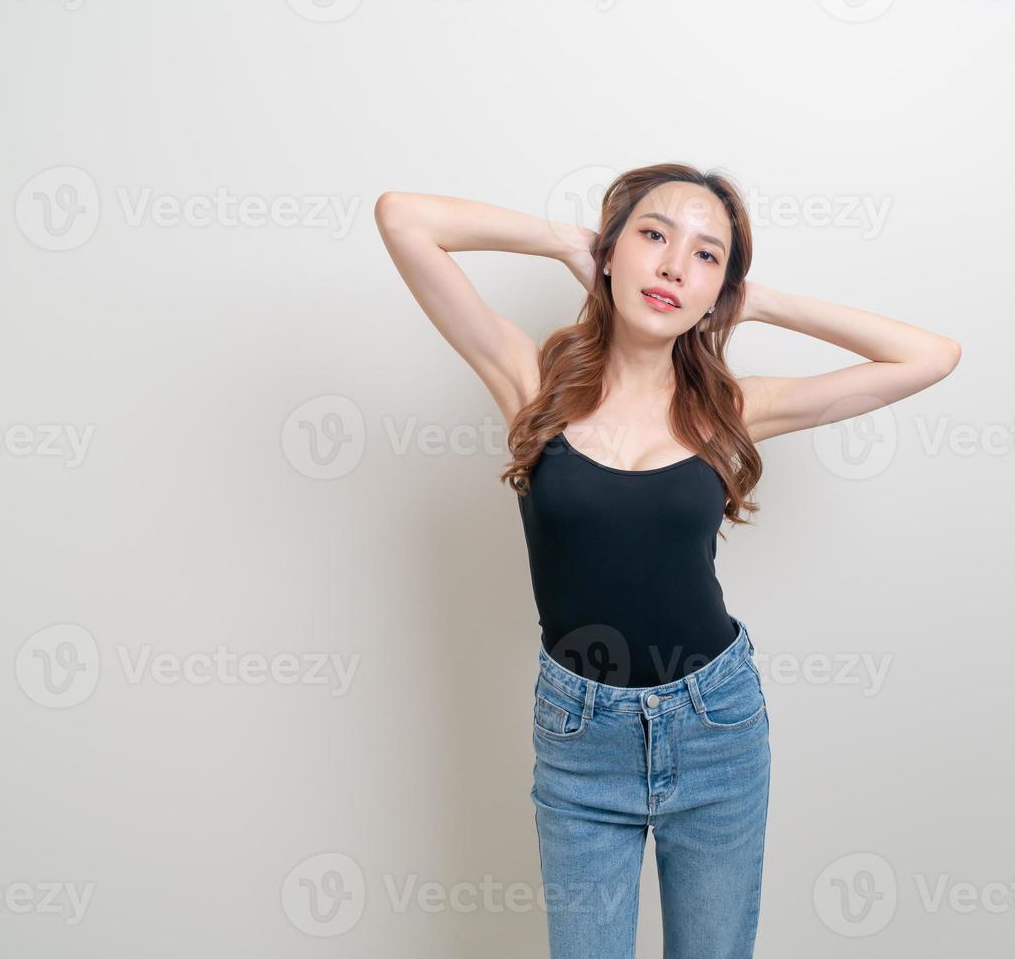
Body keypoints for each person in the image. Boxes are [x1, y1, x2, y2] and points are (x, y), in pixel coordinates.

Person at [374, 163, 960, 959]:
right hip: (581, 738)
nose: (674, 264)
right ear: (612, 252)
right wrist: (563, 243)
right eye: (653, 235)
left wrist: (756, 302)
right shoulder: (531, 384)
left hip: (715, 723)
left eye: (707, 255)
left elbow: (930, 355)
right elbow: (403, 217)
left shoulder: (731, 410)